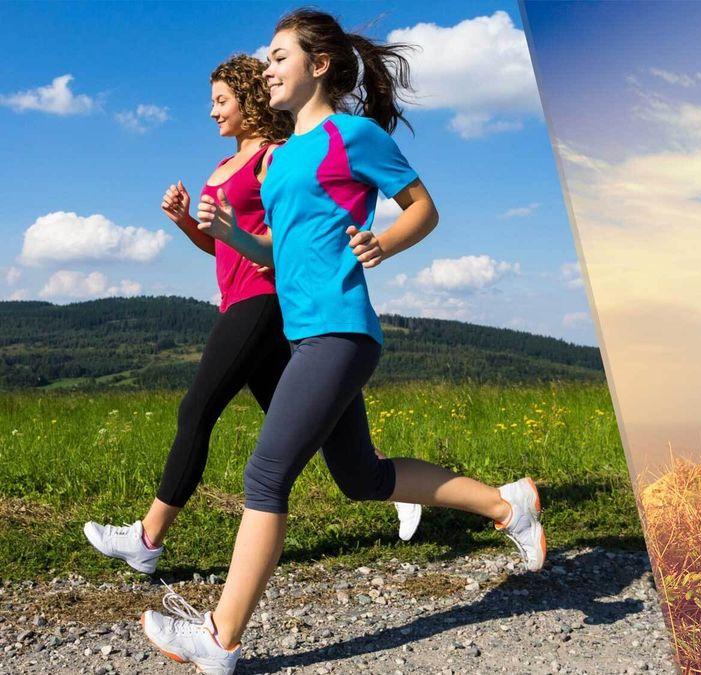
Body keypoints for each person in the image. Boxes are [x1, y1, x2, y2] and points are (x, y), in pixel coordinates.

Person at [137, 11, 545, 674]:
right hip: (305, 335)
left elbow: (422, 206)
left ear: (318, 65)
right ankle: (508, 504)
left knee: (266, 474)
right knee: (362, 477)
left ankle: (221, 635)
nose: (265, 69)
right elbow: (274, 250)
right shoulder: (282, 160)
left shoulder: (350, 136)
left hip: (341, 328)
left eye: (278, 57)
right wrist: (226, 230)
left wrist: (382, 241)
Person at [82, 55, 422, 576]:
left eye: (222, 100)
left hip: (264, 300)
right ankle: (387, 482)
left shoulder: (274, 156)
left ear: (249, 99)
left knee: (198, 408)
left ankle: (147, 538)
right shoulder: (225, 166)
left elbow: (283, 240)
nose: (213, 111)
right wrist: (185, 223)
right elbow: (224, 249)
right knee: (318, 431)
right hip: (238, 295)